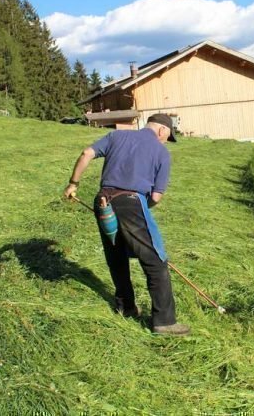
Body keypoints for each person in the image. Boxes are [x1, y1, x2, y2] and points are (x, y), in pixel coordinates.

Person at [63, 114, 190, 336]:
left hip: (103, 201)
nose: (164, 141)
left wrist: (73, 184)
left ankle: (126, 307)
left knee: (116, 255)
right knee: (156, 260)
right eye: (167, 137)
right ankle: (165, 322)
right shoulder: (161, 152)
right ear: (162, 130)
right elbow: (157, 197)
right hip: (132, 202)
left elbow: (86, 153)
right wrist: (138, 210)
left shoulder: (116, 135)